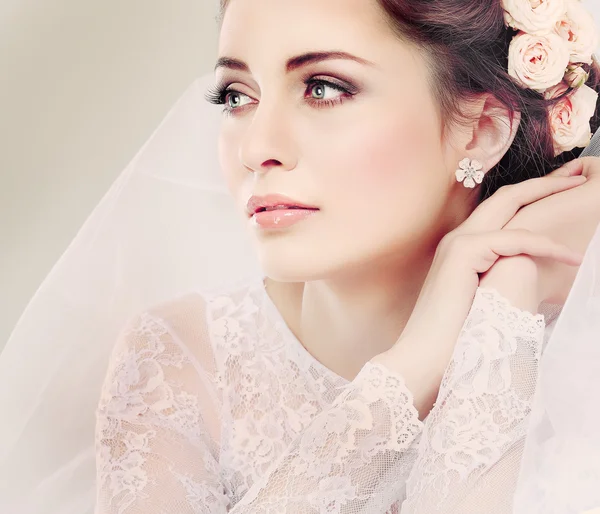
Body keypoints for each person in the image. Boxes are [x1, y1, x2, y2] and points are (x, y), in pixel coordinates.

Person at [1, 1, 600, 513]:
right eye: (236, 96)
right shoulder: (183, 363)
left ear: (483, 129)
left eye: (323, 87)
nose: (257, 148)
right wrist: (411, 369)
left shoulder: (577, 347)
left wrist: (504, 299)